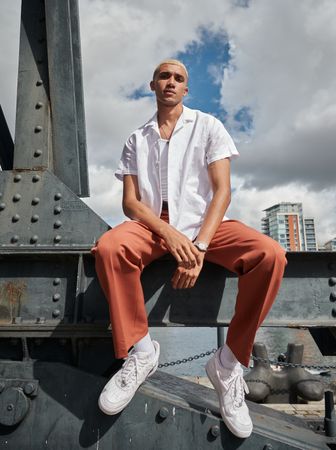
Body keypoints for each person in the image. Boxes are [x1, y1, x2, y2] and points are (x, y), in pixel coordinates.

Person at [92, 59, 287, 439]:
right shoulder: (136, 139)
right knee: (110, 248)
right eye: (164, 76)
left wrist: (197, 246)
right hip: (152, 227)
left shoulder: (208, 126)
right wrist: (167, 232)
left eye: (179, 78)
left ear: (186, 89)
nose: (171, 81)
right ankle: (141, 351)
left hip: (205, 226)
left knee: (270, 255)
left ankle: (228, 363)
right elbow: (131, 204)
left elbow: (222, 191)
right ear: (152, 84)